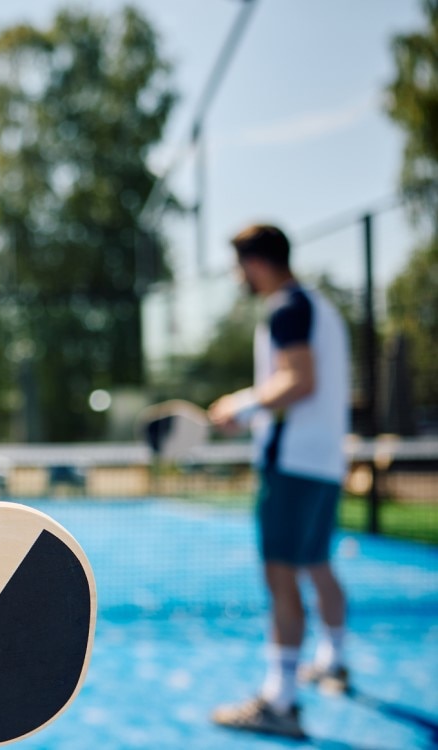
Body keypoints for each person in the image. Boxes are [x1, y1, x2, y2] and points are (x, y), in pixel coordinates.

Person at [207, 224, 350, 739]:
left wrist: (241, 407)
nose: (237, 276)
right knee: (317, 564)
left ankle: (280, 701)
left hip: (291, 465)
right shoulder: (321, 308)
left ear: (258, 263)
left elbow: (299, 379)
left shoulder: (287, 308)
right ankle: (334, 660)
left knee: (281, 577)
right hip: (325, 462)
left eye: (239, 265)